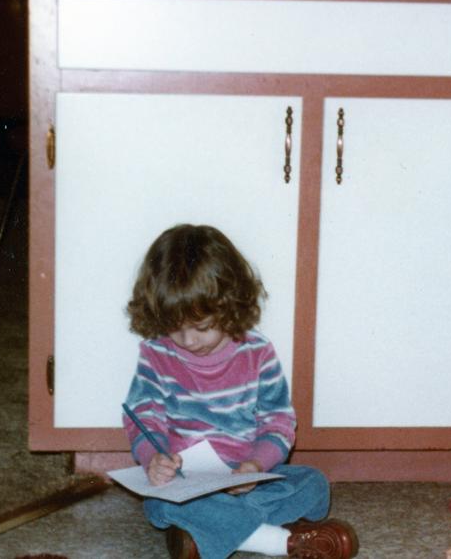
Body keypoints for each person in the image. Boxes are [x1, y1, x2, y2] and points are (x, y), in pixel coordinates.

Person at [122, 224, 359, 559]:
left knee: (313, 483)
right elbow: (143, 417)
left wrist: (256, 465)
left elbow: (278, 421)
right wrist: (153, 459)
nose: (188, 340)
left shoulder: (257, 352)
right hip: (186, 482)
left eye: (202, 327)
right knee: (159, 504)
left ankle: (208, 532)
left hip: (247, 477)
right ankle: (280, 542)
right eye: (176, 327)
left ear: (228, 305)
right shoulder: (155, 353)